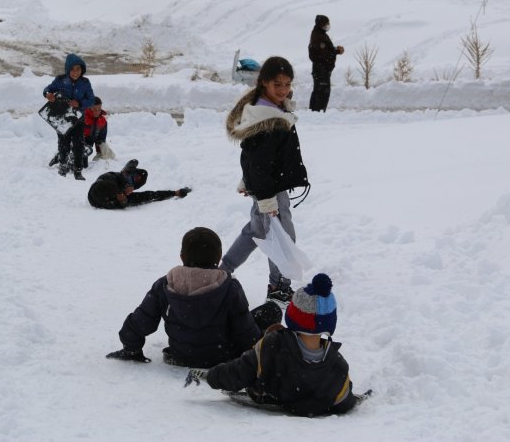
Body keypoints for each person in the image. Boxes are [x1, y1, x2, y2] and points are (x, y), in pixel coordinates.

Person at [184, 273, 366, 418]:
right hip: (312, 400)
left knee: (268, 341)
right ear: (329, 324)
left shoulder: (273, 345)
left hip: (272, 394)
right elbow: (343, 401)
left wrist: (213, 376)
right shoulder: (337, 364)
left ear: (293, 316)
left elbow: (239, 372)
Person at [105, 227, 283, 367]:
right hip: (222, 356)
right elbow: (245, 332)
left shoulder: (165, 284)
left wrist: (131, 348)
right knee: (271, 310)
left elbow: (141, 321)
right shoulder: (229, 287)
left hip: (180, 355)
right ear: (219, 256)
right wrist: (255, 354)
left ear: (182, 256)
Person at [219, 56, 310, 303]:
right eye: (277, 85)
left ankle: (223, 272)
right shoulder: (265, 116)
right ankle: (278, 285)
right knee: (279, 235)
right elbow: (257, 162)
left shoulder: (270, 108)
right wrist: (266, 199)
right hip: (270, 189)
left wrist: (247, 181)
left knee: (259, 230)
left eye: (287, 84)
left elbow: (254, 158)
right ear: (264, 84)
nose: (283, 90)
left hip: (269, 185)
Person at [42, 53, 95, 180]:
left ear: (82, 70)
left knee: (78, 144)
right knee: (63, 143)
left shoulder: (85, 82)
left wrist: (80, 103)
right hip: (62, 119)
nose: (75, 72)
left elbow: (91, 100)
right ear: (67, 69)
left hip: (77, 119)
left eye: (78, 69)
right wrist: (48, 94)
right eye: (72, 69)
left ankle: (78, 170)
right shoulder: (60, 80)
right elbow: (47, 89)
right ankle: (63, 167)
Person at [87, 159, 191, 210]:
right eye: (130, 177)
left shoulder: (126, 195)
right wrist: (118, 192)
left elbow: (149, 195)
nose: (131, 184)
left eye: (134, 183)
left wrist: (174, 193)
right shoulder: (112, 177)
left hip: (104, 203)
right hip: (95, 194)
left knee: (135, 198)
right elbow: (99, 186)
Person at [308, 14, 344, 112]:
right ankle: (317, 112)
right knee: (322, 93)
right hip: (321, 70)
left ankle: (314, 112)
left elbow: (326, 51)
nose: (328, 25)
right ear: (321, 24)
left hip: (321, 70)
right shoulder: (318, 36)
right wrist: (336, 51)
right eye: (326, 24)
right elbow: (323, 54)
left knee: (318, 92)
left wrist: (335, 50)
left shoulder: (320, 33)